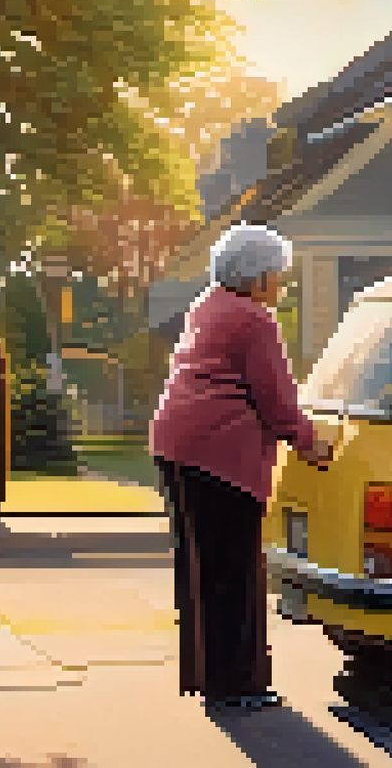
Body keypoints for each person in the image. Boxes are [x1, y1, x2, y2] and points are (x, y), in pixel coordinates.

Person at [149, 223, 332, 711]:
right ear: (257, 276)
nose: (283, 283)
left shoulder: (208, 305)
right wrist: (310, 442)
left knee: (199, 569)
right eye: (278, 274)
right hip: (219, 454)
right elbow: (276, 399)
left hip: (176, 444)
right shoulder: (255, 321)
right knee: (236, 572)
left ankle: (204, 675)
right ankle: (238, 686)